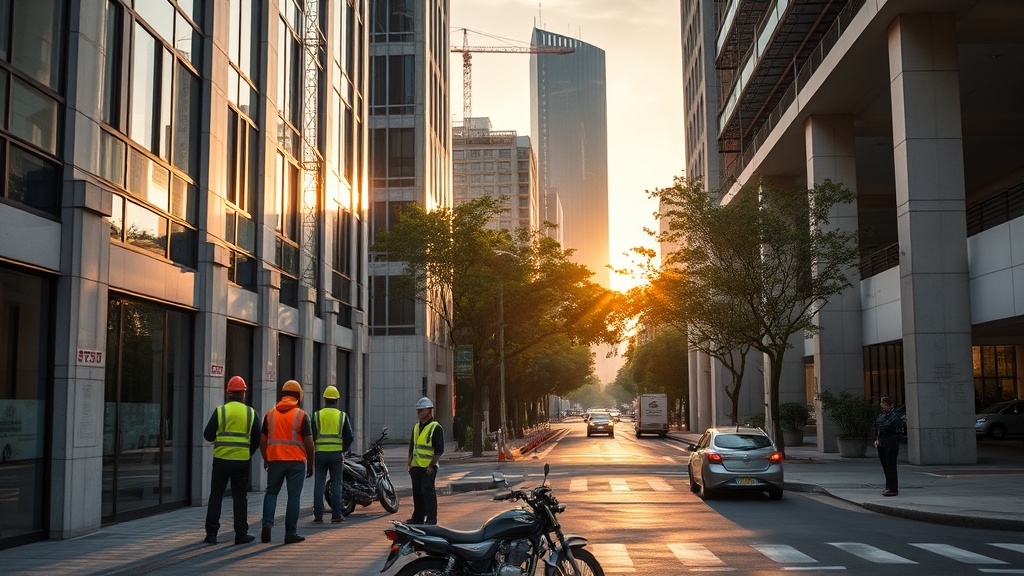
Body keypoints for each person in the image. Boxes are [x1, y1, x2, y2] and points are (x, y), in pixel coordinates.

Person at [203, 375, 260, 545]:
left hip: (221, 460)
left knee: (216, 495)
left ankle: (211, 534)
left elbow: (207, 435)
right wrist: (247, 452)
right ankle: (241, 534)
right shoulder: (250, 413)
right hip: (242, 461)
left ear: (228, 393)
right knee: (240, 497)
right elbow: (257, 438)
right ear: (243, 393)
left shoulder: (221, 411)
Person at [260, 380, 315, 544]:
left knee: (271, 492)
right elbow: (309, 443)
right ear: (299, 396)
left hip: (275, 460)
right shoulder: (301, 415)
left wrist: (266, 458)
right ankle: (290, 533)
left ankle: (267, 523)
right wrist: (310, 464)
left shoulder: (270, 415)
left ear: (282, 395)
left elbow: (262, 441)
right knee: (293, 496)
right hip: (296, 462)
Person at [312, 385, 354, 523]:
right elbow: (350, 436)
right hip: (336, 454)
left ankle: (318, 515)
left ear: (324, 399)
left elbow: (312, 435)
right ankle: (336, 515)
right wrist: (342, 449)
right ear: (337, 400)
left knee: (319, 484)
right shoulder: (342, 416)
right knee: (336, 484)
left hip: (320, 455)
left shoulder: (317, 415)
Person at [406, 396, 444, 525]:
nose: (418, 413)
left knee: (428, 492)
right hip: (416, 465)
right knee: (417, 492)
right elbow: (412, 446)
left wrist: (431, 465)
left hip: (429, 466)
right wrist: (409, 462)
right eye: (417, 411)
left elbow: (439, 449)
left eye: (420, 410)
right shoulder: (416, 427)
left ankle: (431, 519)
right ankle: (418, 517)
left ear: (428, 410)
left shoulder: (435, 427)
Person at [874, 396, 901, 496]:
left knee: (891, 466)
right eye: (881, 403)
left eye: (883, 403)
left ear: (888, 405)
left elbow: (892, 427)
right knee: (885, 465)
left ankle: (893, 488)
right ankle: (888, 486)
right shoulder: (881, 416)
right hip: (882, 442)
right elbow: (877, 427)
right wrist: (877, 439)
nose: (882, 405)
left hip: (891, 442)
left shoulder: (894, 415)